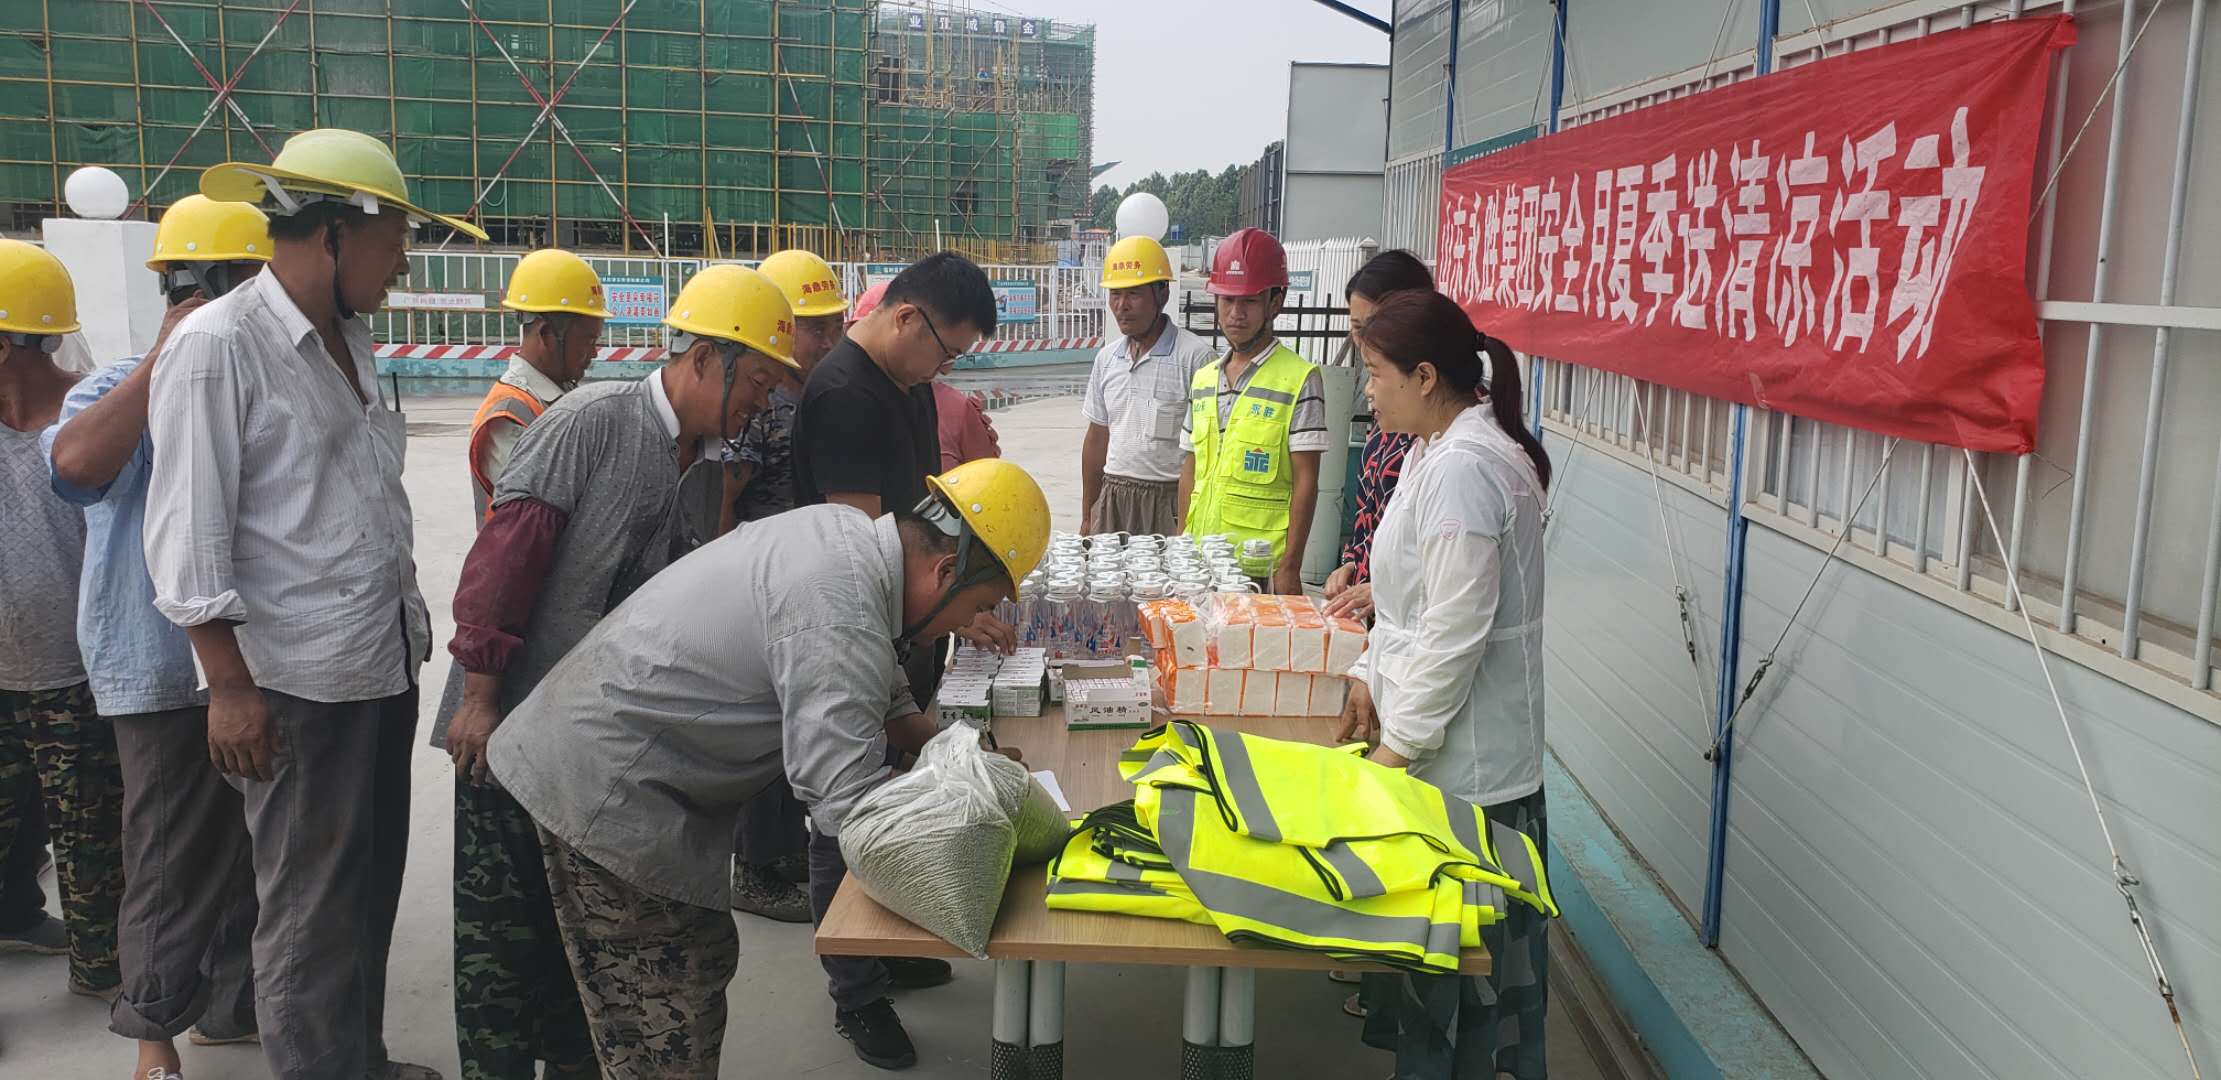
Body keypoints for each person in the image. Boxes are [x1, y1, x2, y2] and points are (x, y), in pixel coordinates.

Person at [486, 459, 1051, 1077]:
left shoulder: (847, 540)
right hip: (603, 786)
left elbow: (879, 690)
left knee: (629, 995)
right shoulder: (838, 607)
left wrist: (960, 753)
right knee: (665, 1011)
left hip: (593, 754)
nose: (965, 625)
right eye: (975, 606)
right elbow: (846, 802)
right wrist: (973, 807)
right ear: (944, 571)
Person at [143, 127, 489, 1080]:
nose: (403, 265)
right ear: (335, 232)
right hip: (290, 683)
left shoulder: (351, 337)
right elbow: (186, 533)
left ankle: (354, 1059)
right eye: (395, 243)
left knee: (365, 888)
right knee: (305, 908)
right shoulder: (218, 347)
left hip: (376, 660)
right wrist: (228, 687)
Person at [438, 264, 793, 1080]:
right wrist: (481, 697)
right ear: (703, 359)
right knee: (501, 947)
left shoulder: (705, 465)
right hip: (507, 727)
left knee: (579, 950)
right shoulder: (593, 422)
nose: (764, 403)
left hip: (593, 748)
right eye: (757, 382)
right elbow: (503, 556)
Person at [45, 196, 269, 1079]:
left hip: (263, 659)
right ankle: (152, 1037)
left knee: (254, 853)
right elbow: (75, 467)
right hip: (162, 668)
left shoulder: (263, 382)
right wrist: (168, 355)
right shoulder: (113, 385)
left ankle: (231, 1005)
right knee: (171, 857)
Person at [1334, 288, 1553, 1080]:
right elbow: (1406, 603)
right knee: (1434, 979)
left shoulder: (1464, 468)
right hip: (1441, 751)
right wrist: (1366, 674)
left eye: (1374, 372)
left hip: (1469, 773)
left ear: (1424, 376)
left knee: (1463, 983)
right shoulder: (1434, 449)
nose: (1367, 390)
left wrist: (1397, 750)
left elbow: (1453, 633)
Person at [0, 239, 125, 1003]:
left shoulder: (91, 423)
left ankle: (103, 968)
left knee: (92, 841)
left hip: (78, 679)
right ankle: (13, 916)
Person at [722, 249, 849, 926]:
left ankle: (784, 849)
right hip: (758, 589)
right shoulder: (758, 404)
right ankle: (756, 868)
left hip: (801, 584)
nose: (828, 340)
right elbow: (724, 502)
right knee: (764, 733)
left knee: (796, 727)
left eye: (835, 325)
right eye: (814, 328)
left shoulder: (814, 396)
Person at [1178, 227, 1328, 594]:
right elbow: (1191, 468)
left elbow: (1307, 480)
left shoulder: (1300, 379)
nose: (1235, 314)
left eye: (1248, 301)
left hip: (1260, 570)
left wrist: (1290, 566)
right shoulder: (1204, 379)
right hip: (1202, 565)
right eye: (1227, 300)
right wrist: (1182, 545)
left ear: (1275, 302)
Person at [1323, 250, 1437, 624]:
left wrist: (1384, 589)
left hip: (1412, 621)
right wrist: (1353, 562)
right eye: (1357, 328)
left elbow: (1449, 576)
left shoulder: (1444, 433)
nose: (1364, 342)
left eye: (1373, 327)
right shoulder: (1391, 404)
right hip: (1375, 616)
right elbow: (1370, 513)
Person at [463, 248, 609, 521]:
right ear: (546, 334)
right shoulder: (508, 415)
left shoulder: (564, 396)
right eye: (588, 340)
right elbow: (547, 510)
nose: (594, 353)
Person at [1081, 235, 1214, 535]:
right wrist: (1089, 514)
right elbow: (1097, 438)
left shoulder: (1196, 358)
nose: (1122, 306)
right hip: (1113, 499)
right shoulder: (1106, 359)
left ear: (1162, 293)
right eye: (1115, 294)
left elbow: (1208, 450)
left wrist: (1189, 525)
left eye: (1134, 294)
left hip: (1170, 503)